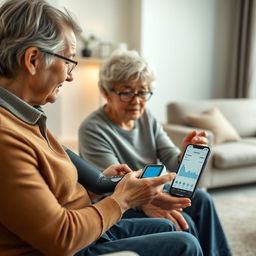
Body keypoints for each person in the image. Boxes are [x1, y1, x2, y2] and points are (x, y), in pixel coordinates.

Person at [0, 1, 205, 256]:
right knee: (185, 243)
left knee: (173, 224)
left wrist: (100, 186)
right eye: (68, 61)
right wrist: (123, 200)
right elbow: (60, 238)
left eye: (142, 92)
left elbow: (63, 190)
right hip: (70, 244)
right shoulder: (7, 136)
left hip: (87, 225)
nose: (70, 76)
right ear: (32, 60)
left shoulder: (28, 118)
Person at [78, 50, 233, 256]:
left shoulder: (146, 117)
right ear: (107, 92)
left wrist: (184, 156)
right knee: (183, 223)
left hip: (153, 189)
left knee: (203, 199)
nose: (136, 101)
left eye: (142, 92)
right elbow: (112, 184)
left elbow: (172, 161)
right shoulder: (92, 128)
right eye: (127, 92)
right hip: (122, 200)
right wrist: (146, 205)